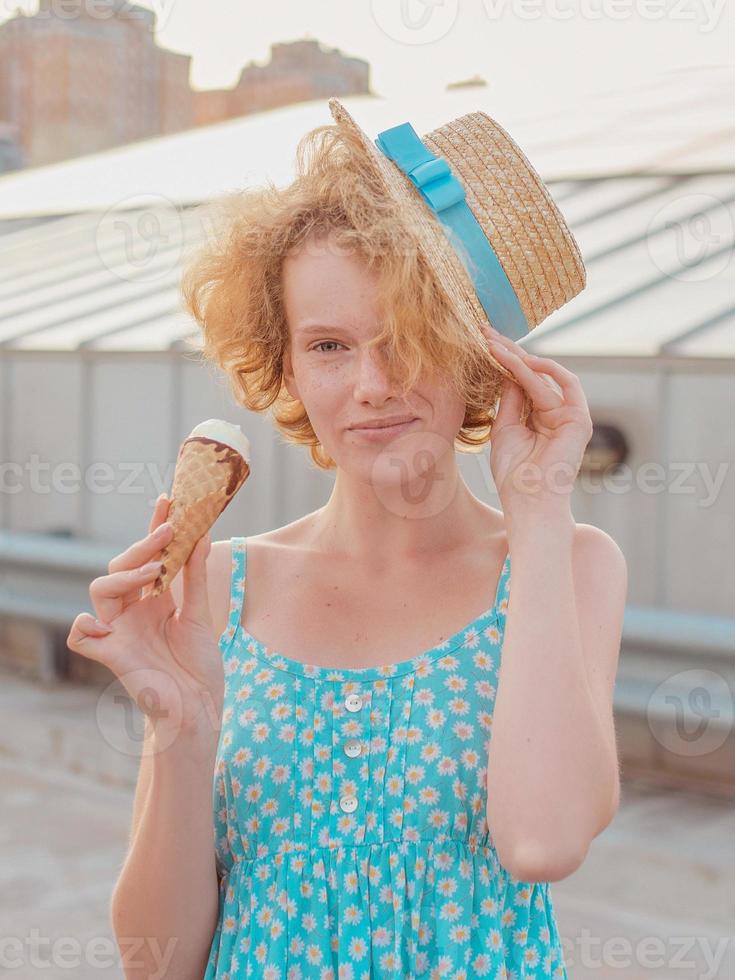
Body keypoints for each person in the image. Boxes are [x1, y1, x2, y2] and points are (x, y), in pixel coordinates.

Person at [67, 98, 627, 979]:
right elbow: (156, 963)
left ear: (479, 358)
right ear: (284, 364)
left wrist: (539, 506)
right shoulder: (218, 584)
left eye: (407, 338)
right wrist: (182, 723)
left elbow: (542, 842)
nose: (372, 384)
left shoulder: (563, 564)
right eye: (329, 345)